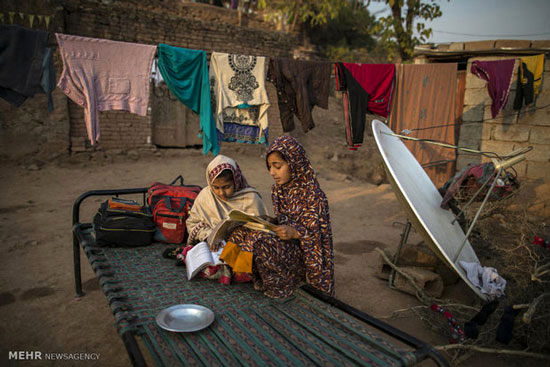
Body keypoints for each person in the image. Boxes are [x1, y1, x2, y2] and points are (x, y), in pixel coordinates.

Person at [227, 135, 335, 298]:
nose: (272, 172)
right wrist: (270, 222)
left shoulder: (314, 196)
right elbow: (285, 220)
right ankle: (235, 274)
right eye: (269, 167)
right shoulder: (279, 190)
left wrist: (295, 232)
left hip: (308, 260)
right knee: (241, 232)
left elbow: (319, 238)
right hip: (288, 247)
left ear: (294, 164)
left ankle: (282, 289)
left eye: (277, 166)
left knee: (261, 243)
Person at [169, 154, 267, 284]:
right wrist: (210, 235)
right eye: (216, 187)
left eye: (227, 187)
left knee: (249, 262)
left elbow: (261, 230)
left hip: (240, 248)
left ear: (236, 181)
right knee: (203, 257)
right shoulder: (206, 196)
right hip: (213, 247)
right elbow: (193, 222)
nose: (221, 193)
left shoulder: (251, 199)